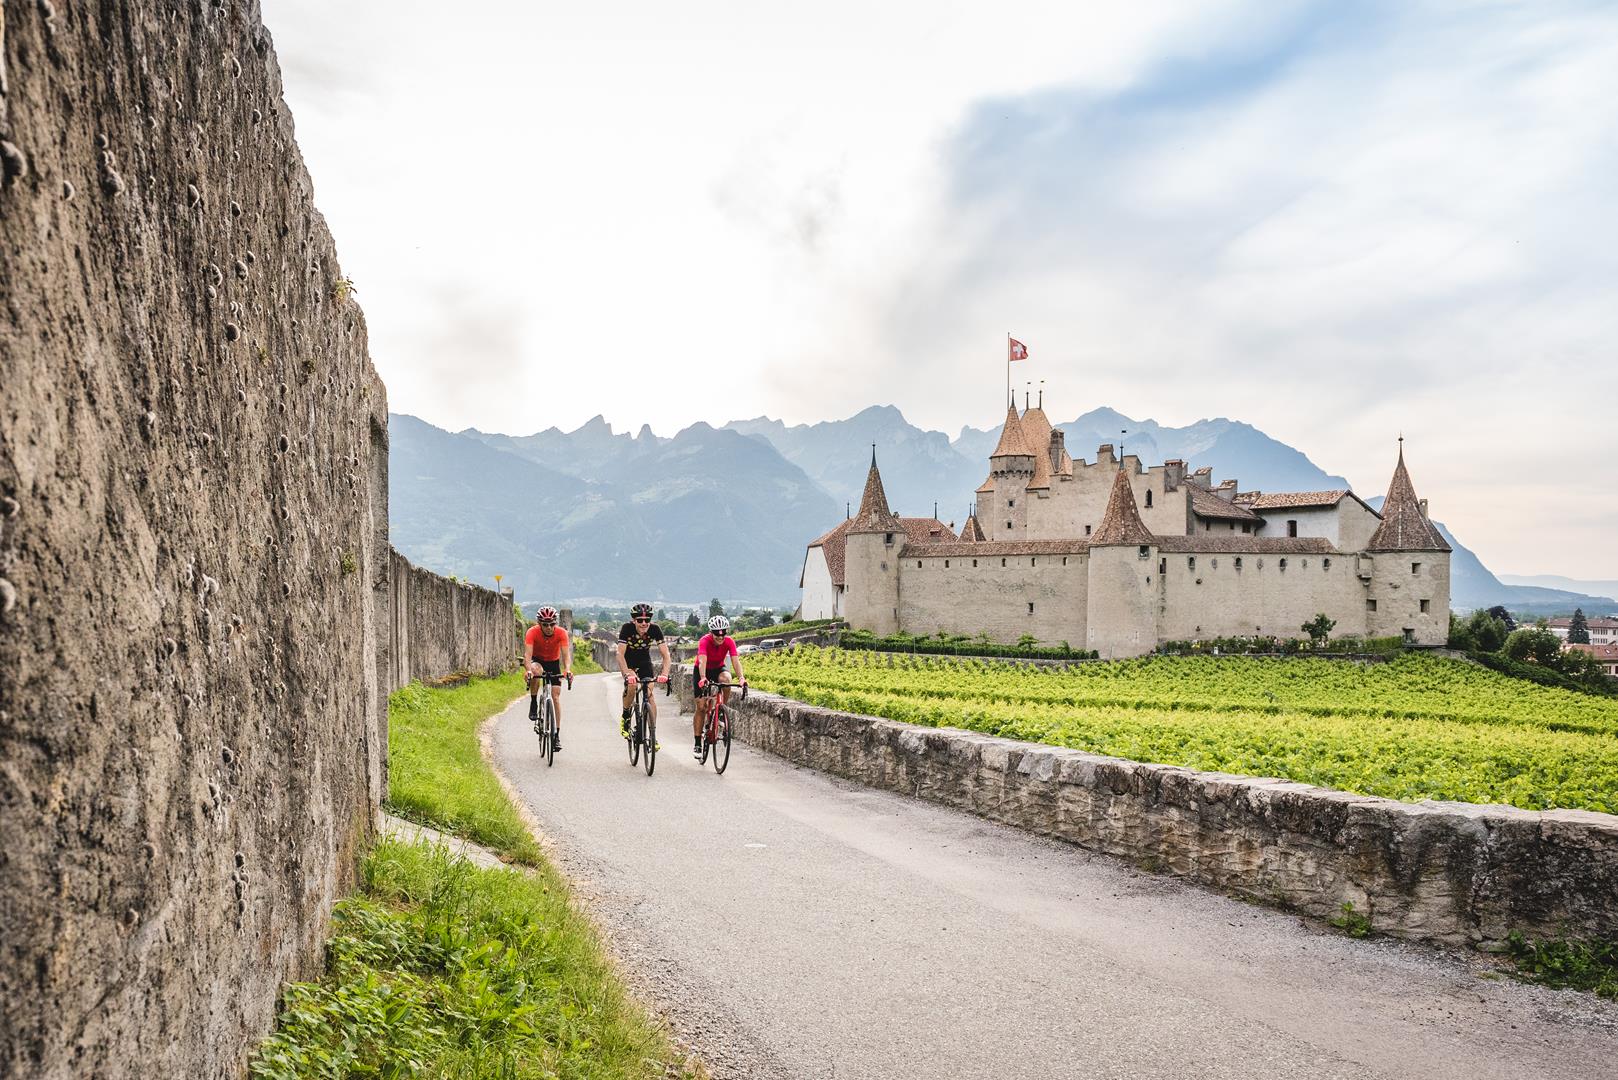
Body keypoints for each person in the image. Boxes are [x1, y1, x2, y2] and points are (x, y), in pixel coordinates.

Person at [692, 614, 745, 758]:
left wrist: (741, 678)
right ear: (711, 632)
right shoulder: (704, 641)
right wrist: (703, 678)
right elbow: (702, 661)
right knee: (701, 706)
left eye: (723, 633)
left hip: (718, 668)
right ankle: (697, 742)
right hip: (702, 670)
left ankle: (720, 709)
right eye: (717, 634)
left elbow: (735, 661)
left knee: (726, 679)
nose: (720, 637)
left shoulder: (729, 641)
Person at [617, 603, 672, 740]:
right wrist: (626, 674)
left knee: (649, 693)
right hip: (628, 662)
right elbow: (619, 654)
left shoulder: (655, 629)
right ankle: (625, 716)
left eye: (647, 620)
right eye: (640, 620)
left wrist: (665, 674)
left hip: (644, 662)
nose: (643, 623)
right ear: (634, 620)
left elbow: (666, 655)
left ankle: (652, 735)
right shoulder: (627, 628)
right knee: (632, 685)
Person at [523, 606, 572, 750]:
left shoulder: (562, 633)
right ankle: (533, 702)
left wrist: (567, 670)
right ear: (539, 623)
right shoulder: (532, 632)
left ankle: (556, 735)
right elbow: (527, 655)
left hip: (553, 662)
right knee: (535, 670)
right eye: (545, 624)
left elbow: (566, 656)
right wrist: (528, 671)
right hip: (537, 660)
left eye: (552, 624)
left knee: (555, 697)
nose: (549, 627)